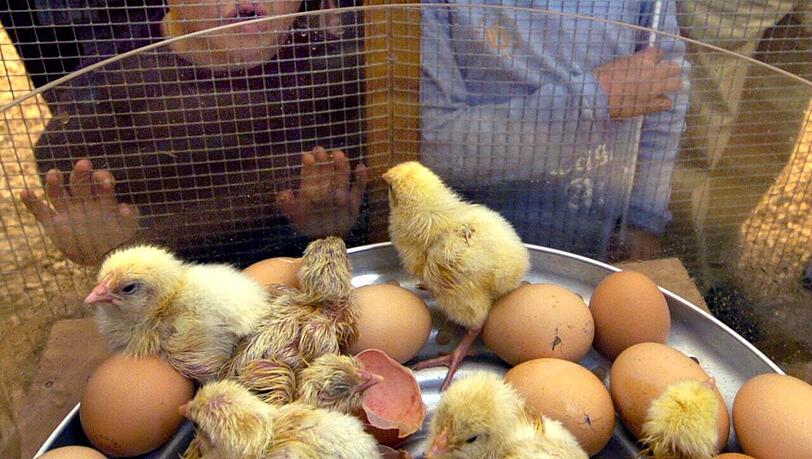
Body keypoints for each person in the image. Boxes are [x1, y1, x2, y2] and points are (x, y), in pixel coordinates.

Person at [19, 0, 369, 267]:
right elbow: (64, 167)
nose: (249, 3)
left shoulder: (335, 64)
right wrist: (101, 242)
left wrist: (331, 225)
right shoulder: (116, 75)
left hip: (293, 277)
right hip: (172, 287)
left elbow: (362, 183)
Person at [420, 0, 689, 260]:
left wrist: (644, 215)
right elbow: (435, 146)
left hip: (600, 239)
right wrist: (595, 101)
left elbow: (665, 86)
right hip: (467, 244)